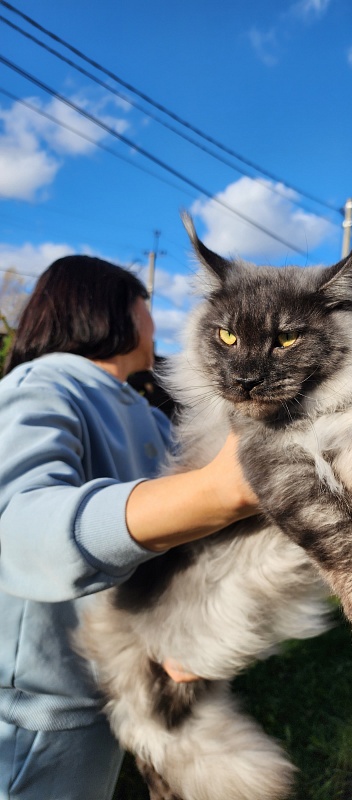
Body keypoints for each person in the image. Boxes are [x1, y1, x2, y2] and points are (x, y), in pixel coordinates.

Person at [0, 256, 258, 800]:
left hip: (116, 691)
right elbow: (14, 527)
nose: (157, 322)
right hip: (37, 712)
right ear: (116, 310)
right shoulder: (42, 384)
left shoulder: (154, 417)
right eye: (147, 305)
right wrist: (216, 491)